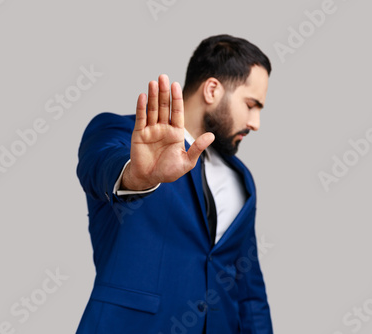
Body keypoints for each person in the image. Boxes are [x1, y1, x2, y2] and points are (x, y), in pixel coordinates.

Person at [76, 34, 273, 334]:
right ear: (212, 90)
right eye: (251, 104)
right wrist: (136, 176)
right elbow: (99, 166)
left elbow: (248, 287)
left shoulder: (242, 180)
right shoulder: (122, 133)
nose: (256, 122)